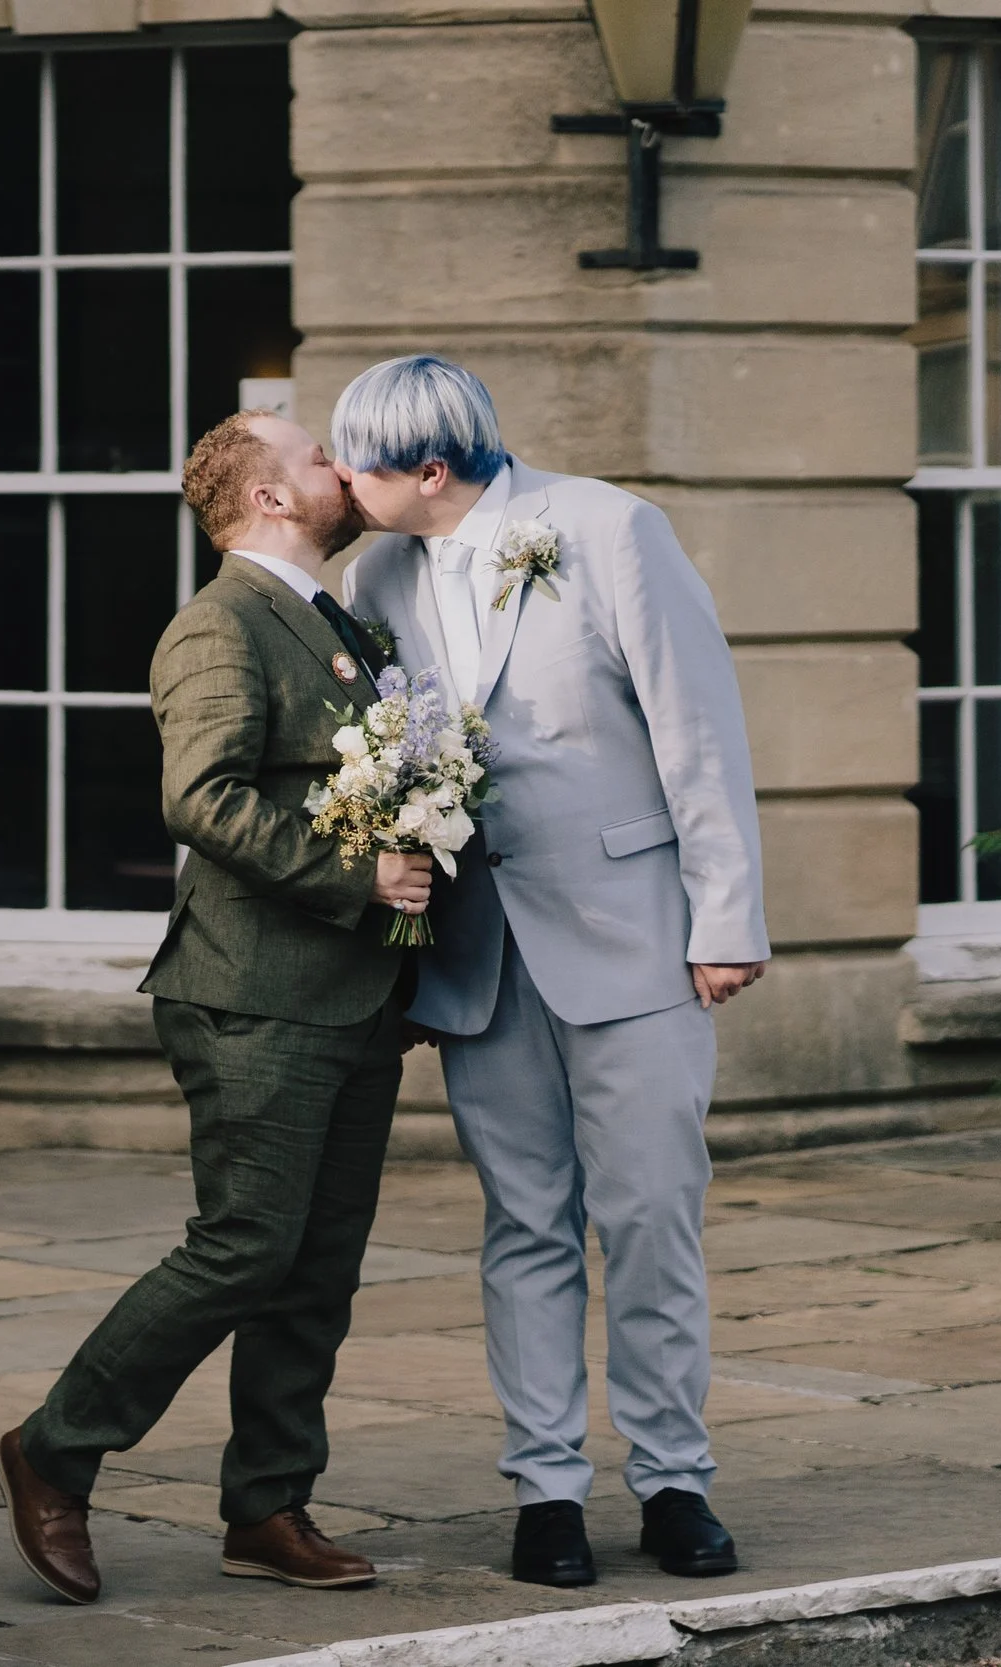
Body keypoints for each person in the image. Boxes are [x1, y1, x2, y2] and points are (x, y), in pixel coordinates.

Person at [336, 355, 768, 1588]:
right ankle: (545, 1490)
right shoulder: (375, 574)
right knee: (523, 1223)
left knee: (645, 1217)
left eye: (357, 466)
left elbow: (698, 726)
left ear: (427, 469)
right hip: (481, 957)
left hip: (636, 938)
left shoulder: (610, 529)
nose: (341, 489)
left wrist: (725, 916)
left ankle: (675, 1478)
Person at [0, 411, 433, 1603]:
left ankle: (267, 1508)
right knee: (244, 1246)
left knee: (317, 1268)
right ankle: (55, 1445)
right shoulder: (217, 624)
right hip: (250, 994)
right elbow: (203, 799)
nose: (342, 468)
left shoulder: (337, 621)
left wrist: (413, 950)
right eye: (315, 457)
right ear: (274, 498)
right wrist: (363, 877)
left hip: (355, 993)